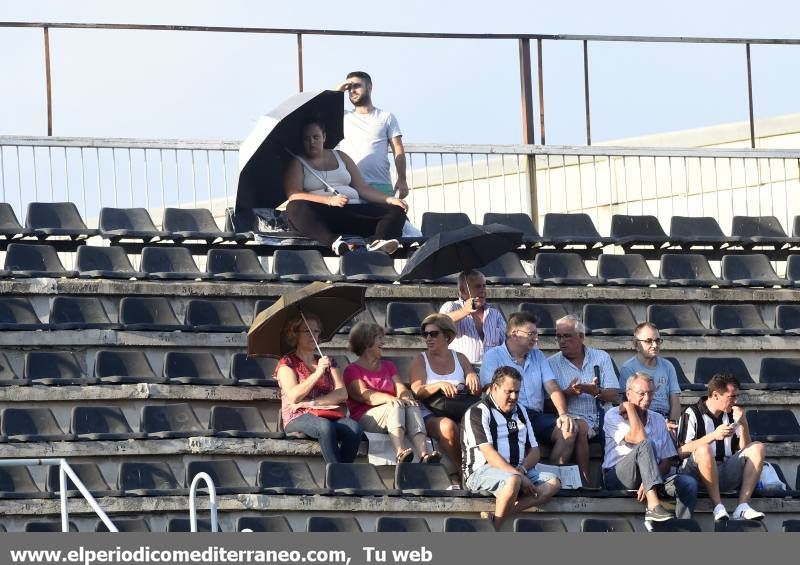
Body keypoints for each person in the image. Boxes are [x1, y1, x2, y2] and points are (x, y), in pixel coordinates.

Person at [283, 118, 408, 256]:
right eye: (307, 139)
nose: (312, 142)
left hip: (352, 209)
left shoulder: (341, 156)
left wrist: (390, 200)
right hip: (323, 215)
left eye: (316, 137)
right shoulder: (298, 162)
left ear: (324, 137)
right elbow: (293, 194)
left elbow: (363, 188)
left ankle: (378, 243)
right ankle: (334, 243)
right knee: (294, 207)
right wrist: (329, 201)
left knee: (396, 210)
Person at [462, 366, 561, 529]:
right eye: (509, 392)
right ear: (495, 388)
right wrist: (517, 475)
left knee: (553, 483)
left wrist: (522, 470)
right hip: (480, 472)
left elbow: (535, 451)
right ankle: (495, 531)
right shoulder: (478, 412)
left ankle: (496, 517)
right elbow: (488, 453)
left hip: (518, 471)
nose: (514, 397)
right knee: (513, 481)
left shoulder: (521, 410)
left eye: (517, 392)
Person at [479, 312, 577, 467]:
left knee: (569, 429)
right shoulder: (493, 356)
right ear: (515, 334)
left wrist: (563, 414)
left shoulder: (538, 355)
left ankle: (553, 476)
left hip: (536, 416)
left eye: (536, 334)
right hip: (508, 414)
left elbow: (552, 386)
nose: (535, 338)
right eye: (531, 334)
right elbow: (489, 390)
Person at [603, 372, 699, 524]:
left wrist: (650, 480)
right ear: (629, 394)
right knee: (646, 444)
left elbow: (667, 463)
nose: (647, 399)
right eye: (642, 394)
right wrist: (629, 408)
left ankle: (682, 528)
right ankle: (653, 507)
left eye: (650, 393)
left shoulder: (658, 419)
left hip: (653, 477)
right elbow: (640, 439)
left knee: (689, 484)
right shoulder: (612, 415)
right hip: (619, 476)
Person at [343, 321, 441, 464]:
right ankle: (400, 452)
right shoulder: (352, 370)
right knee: (394, 405)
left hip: (394, 410)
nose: (383, 342)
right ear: (366, 342)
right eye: (379, 338)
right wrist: (390, 399)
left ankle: (424, 455)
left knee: (412, 405)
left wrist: (405, 396)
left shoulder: (389, 366)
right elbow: (364, 395)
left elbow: (400, 387)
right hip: (365, 416)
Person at [274, 314, 363, 463]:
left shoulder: (327, 361)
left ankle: (340, 474)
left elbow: (342, 393)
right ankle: (340, 478)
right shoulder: (287, 363)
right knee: (325, 428)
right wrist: (317, 373)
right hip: (297, 416)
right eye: (307, 331)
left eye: (316, 331)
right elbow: (294, 396)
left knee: (355, 429)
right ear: (295, 334)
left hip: (324, 412)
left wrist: (313, 403)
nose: (313, 335)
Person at [677, 373, 766, 521]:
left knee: (758, 447)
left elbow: (744, 449)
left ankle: (742, 507)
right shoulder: (691, 413)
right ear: (716, 395)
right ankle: (718, 506)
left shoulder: (732, 414)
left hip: (724, 471)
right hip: (696, 475)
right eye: (731, 397)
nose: (735, 401)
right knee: (704, 449)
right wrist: (712, 436)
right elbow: (681, 452)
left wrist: (744, 425)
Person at [547, 315, 620, 485]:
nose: (562, 341)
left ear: (581, 337)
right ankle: (585, 482)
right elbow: (546, 404)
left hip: (603, 414)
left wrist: (595, 391)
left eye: (567, 336)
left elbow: (614, 394)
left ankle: (617, 481)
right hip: (573, 416)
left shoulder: (601, 357)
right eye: (558, 337)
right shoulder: (551, 363)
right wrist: (568, 393)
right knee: (579, 426)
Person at [409, 313, 481, 471]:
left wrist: (471, 375)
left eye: (433, 334)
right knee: (448, 426)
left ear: (447, 336)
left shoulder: (460, 357)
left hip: (458, 409)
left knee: (473, 426)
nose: (428, 338)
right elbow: (417, 391)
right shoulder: (421, 359)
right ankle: (462, 470)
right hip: (430, 413)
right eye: (425, 334)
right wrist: (439, 384)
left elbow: (470, 374)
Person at [336, 71, 408, 198]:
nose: (352, 90)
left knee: (394, 216)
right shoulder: (343, 116)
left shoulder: (386, 117)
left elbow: (398, 149)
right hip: (351, 185)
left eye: (356, 86)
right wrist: (339, 90)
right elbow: (325, 107)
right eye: (349, 88)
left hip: (381, 184)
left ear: (369, 87)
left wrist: (402, 179)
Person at [620, 323, 681, 428]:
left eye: (657, 340)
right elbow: (625, 402)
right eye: (649, 341)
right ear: (636, 345)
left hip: (666, 419)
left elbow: (675, 400)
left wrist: (672, 423)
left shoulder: (668, 366)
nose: (655, 345)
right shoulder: (628, 368)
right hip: (642, 419)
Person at [439, 270, 506, 364]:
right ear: (463, 290)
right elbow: (439, 324)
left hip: (492, 370)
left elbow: (506, 342)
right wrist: (465, 311)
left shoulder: (494, 313)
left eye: (484, 286)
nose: (483, 290)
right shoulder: (451, 306)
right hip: (461, 370)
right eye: (478, 286)